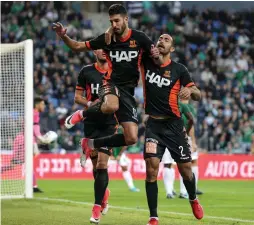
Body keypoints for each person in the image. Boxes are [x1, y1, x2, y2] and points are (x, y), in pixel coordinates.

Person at [53, 4, 161, 167]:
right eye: (111, 21)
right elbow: (77, 46)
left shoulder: (140, 38)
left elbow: (157, 60)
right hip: (110, 83)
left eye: (117, 21)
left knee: (131, 137)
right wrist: (63, 36)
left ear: (126, 19)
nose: (114, 25)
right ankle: (82, 114)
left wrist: (156, 55)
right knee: (110, 105)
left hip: (128, 91)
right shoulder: (106, 39)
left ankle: (90, 144)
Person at [141, 34, 204, 225]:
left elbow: (198, 95)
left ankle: (193, 198)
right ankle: (153, 216)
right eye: (159, 39)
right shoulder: (146, 61)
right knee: (151, 170)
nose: (161, 41)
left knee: (186, 171)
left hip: (174, 126)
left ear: (172, 49)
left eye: (166, 40)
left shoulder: (179, 69)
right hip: (153, 125)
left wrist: (191, 91)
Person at [65, 50, 118, 224]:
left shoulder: (116, 71)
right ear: (95, 51)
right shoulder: (86, 72)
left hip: (109, 123)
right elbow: (77, 97)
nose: (103, 52)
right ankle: (104, 195)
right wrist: (89, 103)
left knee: (103, 163)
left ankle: (96, 208)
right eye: (100, 48)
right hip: (92, 124)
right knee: (96, 168)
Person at [1, 97, 58, 193]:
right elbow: (32, 127)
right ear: (37, 105)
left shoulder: (35, 113)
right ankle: (33, 186)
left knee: (29, 162)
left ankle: (34, 186)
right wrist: (41, 138)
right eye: (42, 104)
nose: (44, 106)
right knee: (14, 165)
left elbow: (33, 128)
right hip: (23, 140)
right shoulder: (33, 113)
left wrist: (38, 140)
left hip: (29, 140)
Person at [111, 126, 140, 192]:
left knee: (125, 168)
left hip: (118, 154)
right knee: (102, 168)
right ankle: (101, 186)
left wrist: (119, 155)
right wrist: (112, 155)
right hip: (109, 153)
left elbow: (125, 145)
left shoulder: (122, 133)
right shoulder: (111, 131)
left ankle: (132, 187)